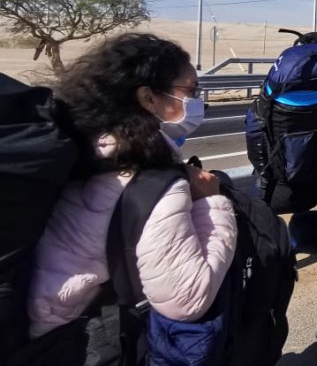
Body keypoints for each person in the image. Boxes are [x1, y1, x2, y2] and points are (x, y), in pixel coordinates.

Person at [28, 34, 237, 340]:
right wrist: (211, 204)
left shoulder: (90, 144)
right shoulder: (153, 183)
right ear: (148, 98)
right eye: (191, 90)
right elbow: (188, 300)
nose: (197, 100)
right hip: (77, 337)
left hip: (36, 315)